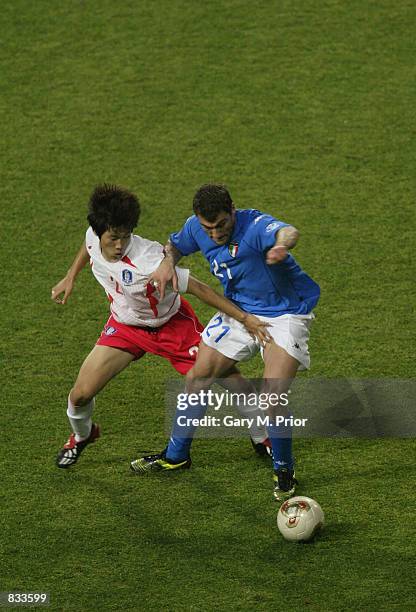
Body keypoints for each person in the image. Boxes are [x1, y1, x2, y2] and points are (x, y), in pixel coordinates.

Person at [52, 184, 271, 469]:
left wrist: (244, 318)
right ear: (98, 232)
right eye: (113, 238)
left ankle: (262, 437)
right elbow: (89, 246)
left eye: (125, 237)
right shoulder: (94, 237)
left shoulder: (149, 260)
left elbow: (200, 289)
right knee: (80, 394)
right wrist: (70, 276)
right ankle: (83, 436)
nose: (119, 245)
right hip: (126, 326)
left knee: (230, 379)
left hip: (172, 327)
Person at [130, 184, 320, 501]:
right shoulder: (196, 228)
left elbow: (289, 231)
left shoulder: (255, 226)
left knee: (273, 397)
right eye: (208, 228)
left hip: (283, 316)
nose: (216, 234)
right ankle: (176, 456)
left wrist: (280, 247)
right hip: (239, 313)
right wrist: (167, 262)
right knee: (197, 377)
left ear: (232, 209)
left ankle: (284, 470)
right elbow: (175, 245)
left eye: (221, 224)